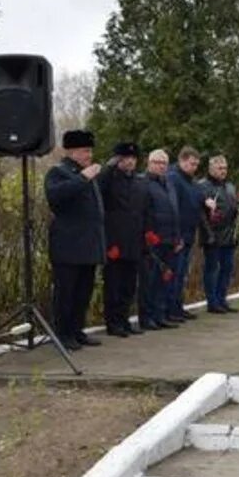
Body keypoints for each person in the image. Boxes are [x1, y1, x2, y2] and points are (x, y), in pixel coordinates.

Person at [44, 129, 105, 351]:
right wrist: (83, 178)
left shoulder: (87, 173)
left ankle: (77, 330)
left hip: (88, 245)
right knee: (66, 293)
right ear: (71, 151)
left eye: (90, 150)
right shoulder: (58, 173)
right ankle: (63, 334)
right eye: (85, 150)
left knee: (83, 292)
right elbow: (55, 197)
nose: (89, 154)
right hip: (68, 246)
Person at [99, 142, 148, 337]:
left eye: (133, 158)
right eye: (126, 158)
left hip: (133, 240)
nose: (130, 162)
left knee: (129, 284)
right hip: (115, 240)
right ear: (118, 159)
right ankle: (113, 322)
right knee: (113, 284)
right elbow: (101, 194)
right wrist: (109, 166)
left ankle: (124, 319)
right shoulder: (109, 178)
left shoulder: (137, 181)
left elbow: (141, 211)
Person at [140, 149, 182, 330]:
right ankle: (147, 317)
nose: (161, 166)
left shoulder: (169, 184)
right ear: (149, 163)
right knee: (150, 281)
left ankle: (161, 314)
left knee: (164, 280)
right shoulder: (143, 183)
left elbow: (175, 211)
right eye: (157, 162)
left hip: (169, 240)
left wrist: (177, 237)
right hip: (152, 241)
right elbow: (142, 213)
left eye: (164, 163)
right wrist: (147, 235)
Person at [198, 155, 239, 314]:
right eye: (219, 168)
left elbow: (235, 204)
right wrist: (208, 234)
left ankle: (222, 299)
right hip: (213, 234)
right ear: (211, 168)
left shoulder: (230, 186)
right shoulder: (203, 186)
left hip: (230, 234)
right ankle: (212, 302)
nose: (223, 171)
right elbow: (201, 213)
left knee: (227, 269)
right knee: (212, 269)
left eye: (225, 168)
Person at [167, 146, 205, 321]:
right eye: (191, 164)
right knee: (175, 273)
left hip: (190, 232)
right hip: (178, 234)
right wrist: (177, 235)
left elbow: (197, 201)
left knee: (182, 274)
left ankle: (178, 306)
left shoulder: (192, 181)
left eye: (197, 164)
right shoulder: (173, 178)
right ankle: (171, 309)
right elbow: (174, 207)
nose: (194, 167)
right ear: (182, 160)